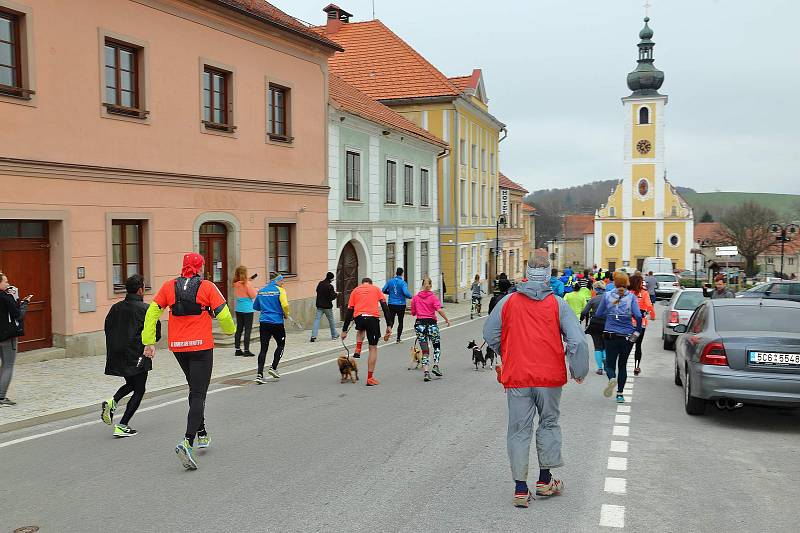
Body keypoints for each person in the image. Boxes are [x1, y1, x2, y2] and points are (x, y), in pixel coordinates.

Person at [483, 253, 589, 508]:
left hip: (517, 376)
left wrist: (506, 351)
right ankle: (544, 479)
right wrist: (578, 371)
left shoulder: (507, 302)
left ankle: (520, 488)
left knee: (519, 430)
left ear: (527, 273)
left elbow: (489, 332)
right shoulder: (558, 305)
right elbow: (577, 341)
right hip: (549, 378)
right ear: (549, 274)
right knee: (549, 424)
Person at [142, 253, 235, 470]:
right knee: (199, 393)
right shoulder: (207, 287)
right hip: (201, 347)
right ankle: (187, 441)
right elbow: (223, 314)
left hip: (179, 348)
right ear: (199, 267)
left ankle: (202, 432)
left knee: (194, 388)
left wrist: (148, 341)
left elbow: (151, 314)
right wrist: (231, 331)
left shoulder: (168, 286)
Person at [101, 274, 161, 437]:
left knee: (132, 384)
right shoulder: (146, 309)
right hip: (138, 354)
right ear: (141, 290)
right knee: (139, 389)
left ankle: (112, 401)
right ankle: (123, 425)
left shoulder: (115, 307)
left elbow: (107, 328)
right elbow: (156, 333)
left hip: (119, 354)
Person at [594, 272, 642, 404]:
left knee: (609, 364)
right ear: (627, 283)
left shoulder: (607, 295)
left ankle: (611, 379)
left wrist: (609, 312)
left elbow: (598, 313)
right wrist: (637, 330)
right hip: (626, 336)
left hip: (610, 334)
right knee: (623, 365)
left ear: (614, 282)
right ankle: (620, 394)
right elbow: (638, 315)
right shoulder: (631, 297)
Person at [340, 278, 394, 386]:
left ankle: (358, 348)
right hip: (372, 319)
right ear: (370, 283)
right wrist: (389, 325)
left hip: (359, 317)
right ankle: (370, 378)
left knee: (360, 328)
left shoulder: (355, 290)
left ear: (362, 283)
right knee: (372, 348)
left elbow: (350, 310)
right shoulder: (376, 289)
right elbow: (385, 307)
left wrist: (344, 330)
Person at [410, 277, 450, 382]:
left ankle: (426, 372)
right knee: (436, 347)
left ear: (422, 285)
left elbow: (413, 312)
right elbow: (439, 309)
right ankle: (436, 366)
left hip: (420, 326)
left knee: (425, 350)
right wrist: (446, 319)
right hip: (432, 325)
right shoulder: (433, 297)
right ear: (431, 286)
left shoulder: (415, 298)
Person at [0, 272, 31, 407]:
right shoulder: (6, 297)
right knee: (8, 366)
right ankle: (1, 398)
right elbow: (18, 315)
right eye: (5, 282)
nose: (8, 283)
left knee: (3, 365)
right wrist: (25, 303)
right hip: (8, 336)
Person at [253, 273, 290, 383]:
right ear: (277, 280)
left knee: (263, 349)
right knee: (281, 344)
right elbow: (285, 305)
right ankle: (273, 367)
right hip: (277, 322)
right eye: (282, 281)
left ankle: (259, 375)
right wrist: (286, 314)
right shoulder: (280, 290)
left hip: (264, 322)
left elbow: (256, 306)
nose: (283, 283)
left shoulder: (261, 291)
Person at [629, 274, 656, 376]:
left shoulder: (628, 293)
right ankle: (636, 366)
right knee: (638, 345)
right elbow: (649, 306)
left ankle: (622, 364)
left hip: (628, 323)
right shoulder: (644, 293)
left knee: (628, 344)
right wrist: (652, 316)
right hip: (641, 324)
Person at [581, 281, 607, 375]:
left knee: (597, 346)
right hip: (607, 324)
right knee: (605, 345)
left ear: (596, 289)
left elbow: (584, 312)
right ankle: (605, 358)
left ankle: (600, 368)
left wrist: (581, 319)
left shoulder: (593, 299)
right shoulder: (610, 298)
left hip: (595, 323)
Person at [382, 268, 412, 342]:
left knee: (391, 320)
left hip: (391, 304)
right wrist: (410, 296)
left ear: (396, 273)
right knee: (400, 321)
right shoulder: (403, 283)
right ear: (402, 273)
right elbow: (405, 292)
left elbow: (383, 290)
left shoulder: (390, 281)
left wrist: (390, 293)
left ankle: (388, 332)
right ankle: (398, 338)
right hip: (401, 304)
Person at [232, 266, 257, 357]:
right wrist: (255, 289)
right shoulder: (247, 284)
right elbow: (253, 295)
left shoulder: (236, 283)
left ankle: (237, 349)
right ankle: (246, 350)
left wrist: (248, 281)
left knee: (239, 329)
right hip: (247, 309)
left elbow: (242, 284)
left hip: (239, 309)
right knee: (247, 330)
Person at [311, 272, 338, 342]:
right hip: (327, 307)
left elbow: (317, 291)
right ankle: (334, 335)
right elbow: (331, 297)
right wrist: (336, 294)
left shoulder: (320, 283)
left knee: (317, 320)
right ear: (331, 278)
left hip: (319, 305)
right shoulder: (330, 286)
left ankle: (313, 336)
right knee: (331, 321)